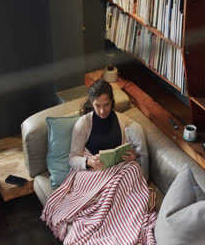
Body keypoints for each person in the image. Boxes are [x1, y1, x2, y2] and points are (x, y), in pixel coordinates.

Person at [41, 79, 157, 245]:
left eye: (106, 105)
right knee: (122, 176)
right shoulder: (83, 123)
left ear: (112, 102)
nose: (102, 111)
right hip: (91, 173)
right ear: (92, 103)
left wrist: (132, 157)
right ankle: (106, 222)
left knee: (132, 169)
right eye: (97, 106)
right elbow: (73, 159)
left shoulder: (123, 121)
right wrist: (87, 162)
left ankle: (121, 221)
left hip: (115, 169)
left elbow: (131, 152)